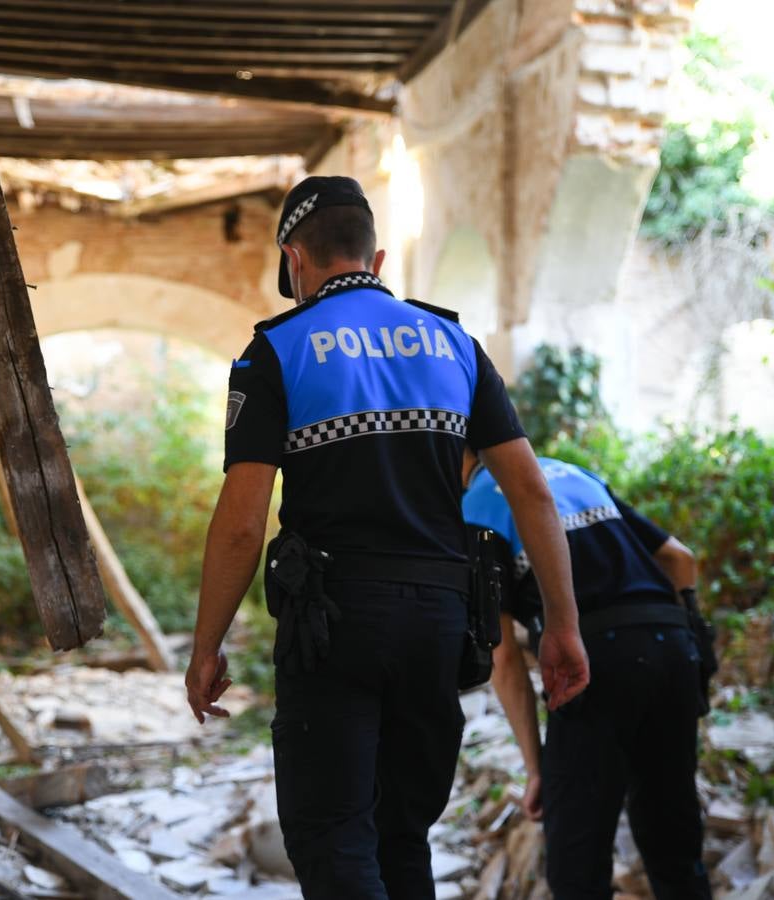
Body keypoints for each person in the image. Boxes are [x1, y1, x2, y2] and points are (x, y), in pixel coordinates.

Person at [184, 175, 591, 899]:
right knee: (401, 836)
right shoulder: (453, 343)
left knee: (336, 836)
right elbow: (531, 491)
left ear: (294, 261)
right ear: (374, 260)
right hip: (439, 623)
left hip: (333, 625)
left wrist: (206, 645)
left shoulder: (275, 351)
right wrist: (562, 623)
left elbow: (244, 522)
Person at [462, 451, 713, 900]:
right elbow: (679, 558)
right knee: (674, 840)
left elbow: (503, 657)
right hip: (673, 649)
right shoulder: (573, 474)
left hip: (593, 661)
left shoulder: (477, 505)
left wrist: (537, 768)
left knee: (576, 863)